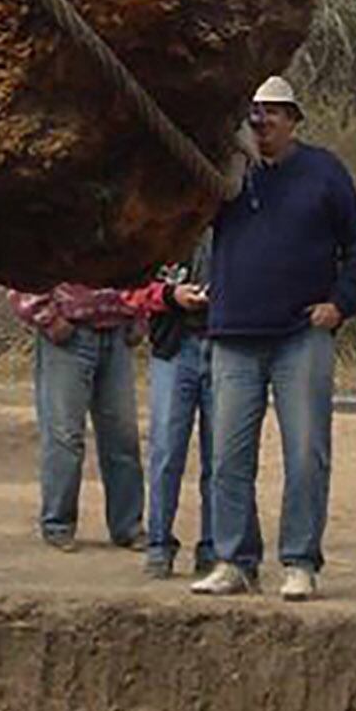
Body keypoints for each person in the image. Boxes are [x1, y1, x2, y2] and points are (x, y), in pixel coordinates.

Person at [193, 74, 356, 603]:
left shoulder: (324, 172)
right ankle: (234, 560)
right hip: (233, 333)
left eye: (274, 111)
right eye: (254, 112)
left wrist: (341, 304)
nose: (263, 120)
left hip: (301, 334)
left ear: (294, 118)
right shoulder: (228, 174)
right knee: (227, 457)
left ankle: (299, 561)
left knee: (305, 454)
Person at [7, 280, 145, 552]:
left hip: (118, 331)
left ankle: (128, 526)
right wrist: (46, 316)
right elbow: (24, 266)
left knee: (123, 436)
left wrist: (140, 313)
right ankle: (58, 524)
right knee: (65, 435)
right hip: (69, 334)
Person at [132, 228, 215, 579]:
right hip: (173, 348)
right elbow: (129, 291)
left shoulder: (239, 218)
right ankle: (159, 545)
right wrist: (170, 295)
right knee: (166, 450)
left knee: (222, 456)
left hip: (226, 346)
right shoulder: (160, 224)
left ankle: (214, 547)